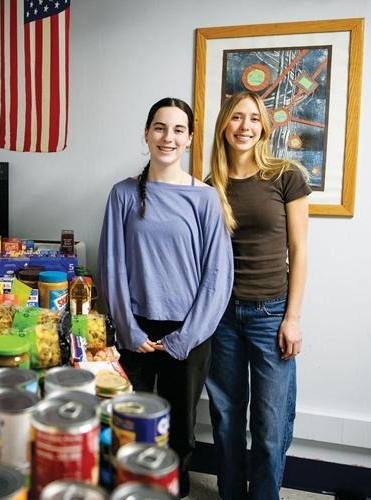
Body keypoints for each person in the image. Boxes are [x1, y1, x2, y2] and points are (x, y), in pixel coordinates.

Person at [98, 97, 234, 498]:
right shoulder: (122, 194)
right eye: (159, 127)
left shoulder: (206, 199)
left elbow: (217, 276)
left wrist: (186, 337)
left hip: (188, 334)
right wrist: (128, 329)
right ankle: (130, 488)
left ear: (189, 139)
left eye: (177, 129)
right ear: (146, 133)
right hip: (135, 330)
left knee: (179, 429)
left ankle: (174, 489)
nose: (167, 137)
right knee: (130, 421)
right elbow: (112, 266)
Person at [205, 91, 311, 500]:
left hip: (272, 314)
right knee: (227, 420)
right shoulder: (210, 185)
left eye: (253, 118)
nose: (245, 126)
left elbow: (299, 251)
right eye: (236, 118)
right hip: (223, 317)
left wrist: (293, 317)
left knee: (269, 426)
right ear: (224, 126)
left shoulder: (286, 176)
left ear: (264, 126)